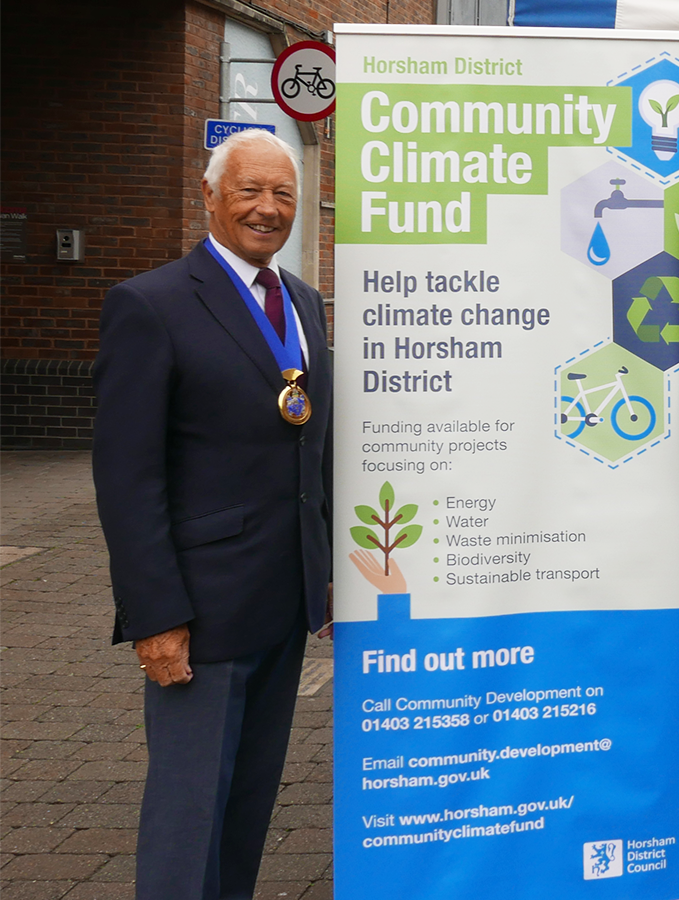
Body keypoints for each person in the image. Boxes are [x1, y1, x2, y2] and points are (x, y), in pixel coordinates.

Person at [92, 128, 333, 900]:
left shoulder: (300, 300)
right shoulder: (150, 304)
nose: (268, 209)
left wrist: (320, 567)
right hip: (200, 609)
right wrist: (154, 616)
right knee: (188, 811)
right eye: (249, 191)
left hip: (280, 600)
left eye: (282, 194)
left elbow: (310, 447)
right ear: (209, 197)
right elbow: (127, 478)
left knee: (247, 806)